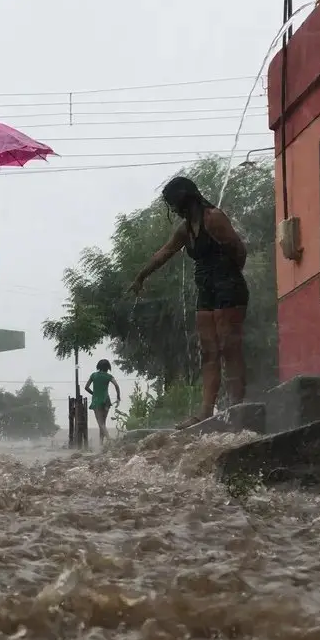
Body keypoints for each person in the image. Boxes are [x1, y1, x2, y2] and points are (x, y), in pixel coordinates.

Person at [128, 176, 248, 429]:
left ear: (184, 199)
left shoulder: (213, 218)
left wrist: (227, 277)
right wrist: (141, 276)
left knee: (229, 348)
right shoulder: (185, 229)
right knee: (209, 351)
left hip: (228, 287)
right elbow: (164, 252)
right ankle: (206, 410)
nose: (172, 209)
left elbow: (239, 250)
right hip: (206, 289)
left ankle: (238, 406)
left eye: (172, 203)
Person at [84, 359, 121, 445]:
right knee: (103, 423)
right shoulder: (109, 376)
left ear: (98, 367)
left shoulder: (93, 375)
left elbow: (86, 387)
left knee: (100, 423)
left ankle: (108, 439)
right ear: (108, 367)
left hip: (97, 401)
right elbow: (116, 385)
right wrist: (118, 397)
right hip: (106, 400)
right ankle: (101, 443)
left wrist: (94, 393)